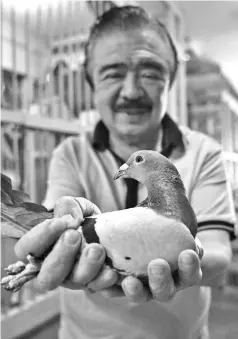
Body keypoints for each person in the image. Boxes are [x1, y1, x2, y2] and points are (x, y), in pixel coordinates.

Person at [15, 6, 237, 339]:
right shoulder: (70, 153)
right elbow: (60, 217)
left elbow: (218, 254)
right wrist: (53, 235)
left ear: (170, 81)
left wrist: (188, 254)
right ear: (91, 83)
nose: (131, 91)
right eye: (112, 73)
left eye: (150, 72)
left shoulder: (204, 151)